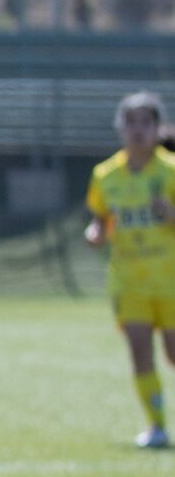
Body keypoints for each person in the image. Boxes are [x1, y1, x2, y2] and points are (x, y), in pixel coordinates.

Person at [83, 91, 175, 449]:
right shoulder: (105, 176)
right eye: (130, 122)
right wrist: (95, 234)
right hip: (129, 281)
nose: (137, 130)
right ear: (120, 128)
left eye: (146, 122)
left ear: (157, 128)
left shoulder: (170, 172)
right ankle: (157, 427)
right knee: (140, 351)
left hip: (170, 280)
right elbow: (101, 221)